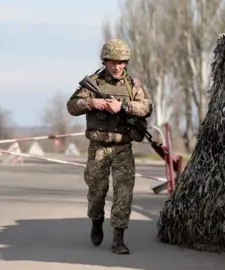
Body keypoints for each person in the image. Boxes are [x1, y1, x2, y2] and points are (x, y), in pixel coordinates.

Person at [66, 38, 153, 254]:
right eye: (113, 62)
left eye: (122, 62)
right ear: (105, 62)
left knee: (124, 193)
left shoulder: (134, 85)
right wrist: (91, 103)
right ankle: (96, 221)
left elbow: (146, 108)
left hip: (123, 146)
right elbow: (72, 106)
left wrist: (122, 105)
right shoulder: (93, 83)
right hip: (99, 147)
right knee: (97, 192)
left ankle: (118, 238)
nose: (117, 66)